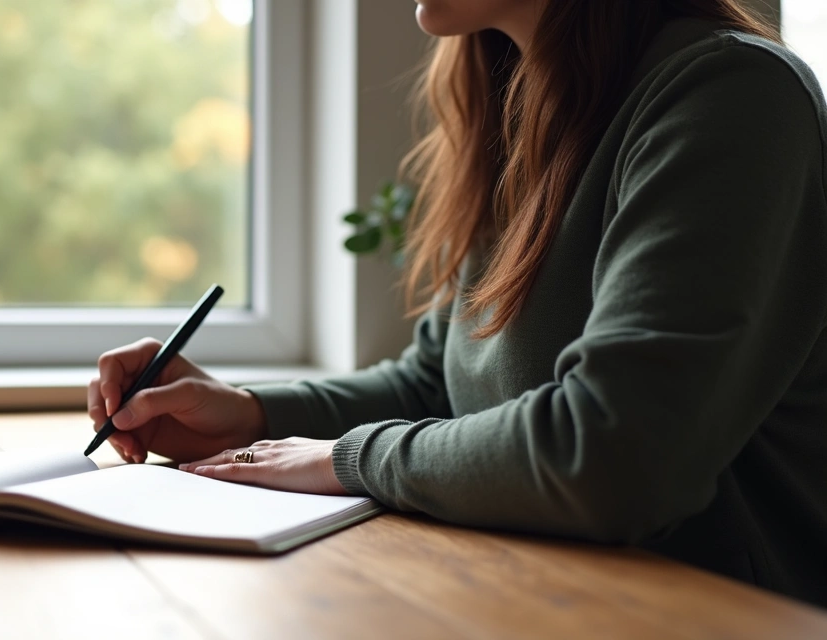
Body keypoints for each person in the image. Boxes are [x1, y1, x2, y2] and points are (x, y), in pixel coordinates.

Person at [88, 0, 827, 606]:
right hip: (543, 596)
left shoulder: (732, 97)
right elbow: (439, 383)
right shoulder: (524, 105)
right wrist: (247, 413)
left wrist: (346, 460)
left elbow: (612, 456)